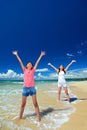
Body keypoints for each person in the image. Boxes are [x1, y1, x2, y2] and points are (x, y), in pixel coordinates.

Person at [12, 51, 45, 122]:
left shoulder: (33, 70)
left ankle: (38, 118)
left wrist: (41, 55)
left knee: (35, 103)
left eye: (30, 64)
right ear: (26, 66)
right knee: (23, 104)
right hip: (25, 88)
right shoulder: (24, 70)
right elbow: (20, 62)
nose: (29, 64)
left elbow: (37, 63)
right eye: (28, 64)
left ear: (32, 66)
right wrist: (17, 55)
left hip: (32, 88)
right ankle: (20, 117)